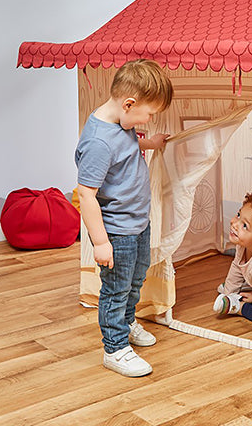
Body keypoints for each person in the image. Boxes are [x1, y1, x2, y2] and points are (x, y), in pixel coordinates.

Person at [75, 59, 173, 377]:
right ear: (129, 104)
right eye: (150, 113)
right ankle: (114, 348)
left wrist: (149, 143)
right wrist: (101, 243)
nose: (150, 119)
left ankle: (127, 322)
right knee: (116, 289)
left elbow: (126, 146)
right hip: (117, 231)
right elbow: (86, 194)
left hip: (138, 223)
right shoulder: (98, 142)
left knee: (135, 280)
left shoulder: (121, 124)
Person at [213, 191, 252, 327]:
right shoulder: (242, 246)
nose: (235, 224)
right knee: (236, 281)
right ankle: (237, 293)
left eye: (244, 226)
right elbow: (236, 267)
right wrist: (228, 293)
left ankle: (239, 307)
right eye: (238, 215)